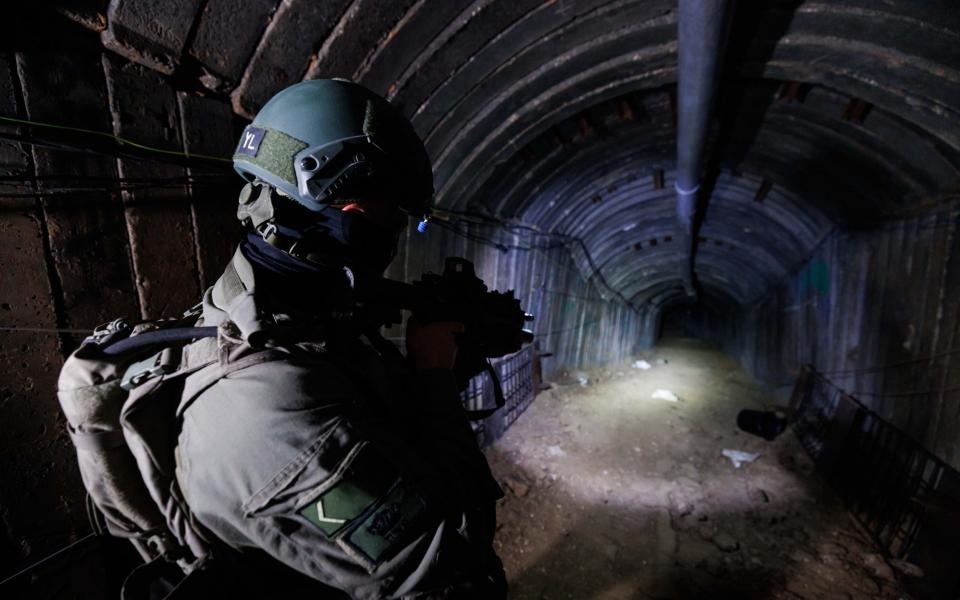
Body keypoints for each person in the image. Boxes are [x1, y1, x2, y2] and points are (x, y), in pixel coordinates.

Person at [173, 79, 508, 599]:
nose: (396, 237)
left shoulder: (277, 312)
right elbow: (455, 565)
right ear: (352, 212)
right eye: (396, 219)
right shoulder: (270, 411)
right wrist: (435, 378)